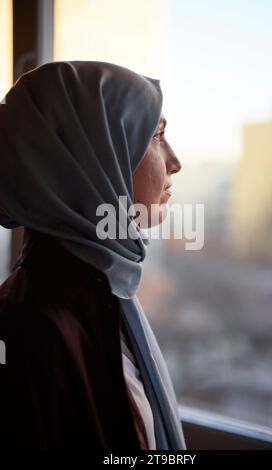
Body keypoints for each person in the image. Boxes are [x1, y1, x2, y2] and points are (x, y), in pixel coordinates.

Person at [0, 61, 185, 449]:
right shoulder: (36, 329)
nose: (175, 162)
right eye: (157, 135)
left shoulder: (104, 287)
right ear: (90, 158)